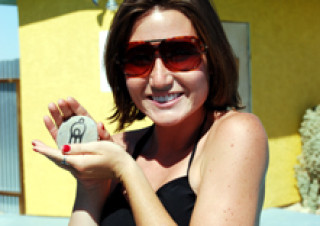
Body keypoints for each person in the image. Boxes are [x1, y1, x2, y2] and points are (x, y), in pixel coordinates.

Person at [32, 0, 269, 225]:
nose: (159, 80)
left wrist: (127, 171)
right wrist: (91, 185)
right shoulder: (120, 147)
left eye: (181, 53)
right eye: (138, 59)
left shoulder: (236, 134)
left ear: (213, 57)